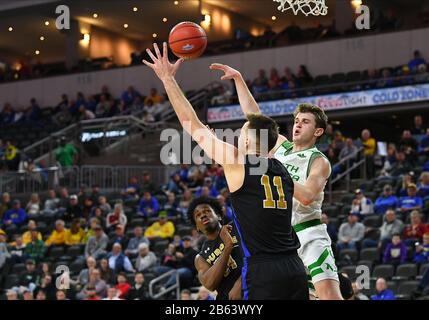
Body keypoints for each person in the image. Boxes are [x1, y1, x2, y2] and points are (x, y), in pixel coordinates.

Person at [144, 43, 308, 300]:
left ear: (245, 141)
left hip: (264, 272)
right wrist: (240, 81)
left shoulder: (238, 161)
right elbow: (260, 121)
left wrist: (167, 79)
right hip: (295, 267)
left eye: (240, 133)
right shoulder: (282, 166)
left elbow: (193, 126)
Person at [211, 63, 343, 299]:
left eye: (305, 122)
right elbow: (256, 118)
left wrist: (279, 172)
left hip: (309, 234)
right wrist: (239, 80)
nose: (297, 125)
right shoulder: (280, 146)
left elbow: (307, 196)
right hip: (280, 239)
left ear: (318, 132)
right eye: (297, 120)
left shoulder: (318, 160)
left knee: (330, 296)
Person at [188, 197, 242, 300]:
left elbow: (258, 254)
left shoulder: (237, 227)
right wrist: (227, 247)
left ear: (218, 216)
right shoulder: (200, 258)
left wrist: (242, 281)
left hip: (254, 287)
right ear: (197, 227)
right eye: (198, 215)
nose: (203, 215)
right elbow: (210, 284)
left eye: (207, 211)